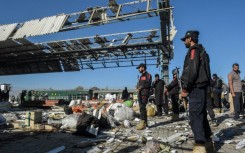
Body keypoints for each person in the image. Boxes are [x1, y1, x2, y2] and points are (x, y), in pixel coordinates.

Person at [180, 30, 214, 153]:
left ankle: (199, 145)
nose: (184, 41)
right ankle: (208, 143)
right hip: (203, 87)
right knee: (202, 115)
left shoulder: (193, 51)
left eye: (185, 39)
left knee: (195, 115)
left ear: (190, 39)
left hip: (196, 87)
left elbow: (192, 71)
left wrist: (185, 89)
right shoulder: (203, 52)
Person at [136, 63, 152, 130]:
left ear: (143, 68)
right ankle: (145, 123)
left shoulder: (148, 75)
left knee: (142, 107)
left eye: (139, 68)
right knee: (142, 108)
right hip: (140, 94)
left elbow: (148, 84)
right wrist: (137, 86)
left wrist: (141, 87)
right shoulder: (140, 76)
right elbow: (140, 84)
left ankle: (142, 123)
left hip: (145, 93)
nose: (138, 69)